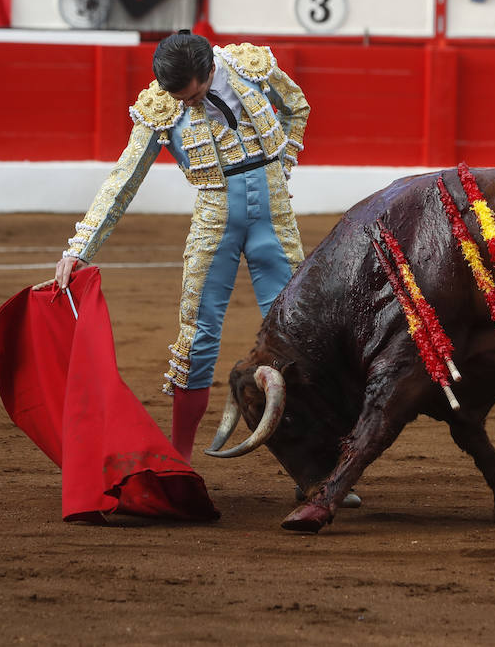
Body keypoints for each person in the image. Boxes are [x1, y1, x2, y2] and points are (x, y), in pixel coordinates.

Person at [48, 31, 309, 462]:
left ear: (211, 70)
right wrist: (79, 248)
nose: (189, 104)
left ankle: (309, 466)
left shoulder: (249, 64)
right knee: (198, 338)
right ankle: (179, 461)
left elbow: (297, 107)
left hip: (274, 215)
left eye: (197, 94)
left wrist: (283, 163)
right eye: (182, 98)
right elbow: (123, 180)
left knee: (297, 333)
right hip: (215, 220)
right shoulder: (160, 106)